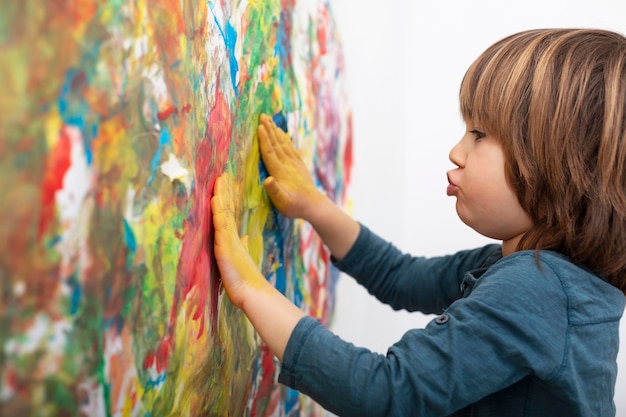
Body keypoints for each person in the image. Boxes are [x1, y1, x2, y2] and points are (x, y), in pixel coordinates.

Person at [210, 28, 626, 417]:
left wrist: (249, 288)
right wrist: (315, 206)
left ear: (556, 168)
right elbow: (401, 277)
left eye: (479, 134)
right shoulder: (540, 274)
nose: (456, 152)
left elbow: (385, 393)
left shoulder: (537, 289)